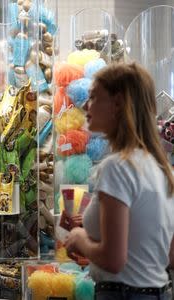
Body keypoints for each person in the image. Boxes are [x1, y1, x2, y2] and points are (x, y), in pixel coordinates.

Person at [64, 63, 174, 300]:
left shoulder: (117, 167)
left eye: (94, 96)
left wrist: (80, 240)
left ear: (117, 103)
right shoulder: (161, 169)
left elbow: (113, 261)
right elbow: (168, 254)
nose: (85, 105)